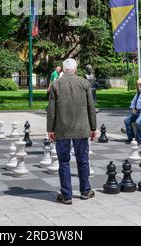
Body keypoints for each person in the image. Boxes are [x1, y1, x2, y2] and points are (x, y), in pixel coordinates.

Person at [47, 58, 97, 205]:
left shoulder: (56, 84)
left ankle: (66, 195)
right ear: (75, 69)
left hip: (61, 129)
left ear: (63, 69)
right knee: (82, 160)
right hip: (82, 128)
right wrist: (93, 127)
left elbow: (51, 110)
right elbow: (91, 108)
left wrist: (50, 129)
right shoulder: (84, 83)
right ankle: (85, 191)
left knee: (63, 162)